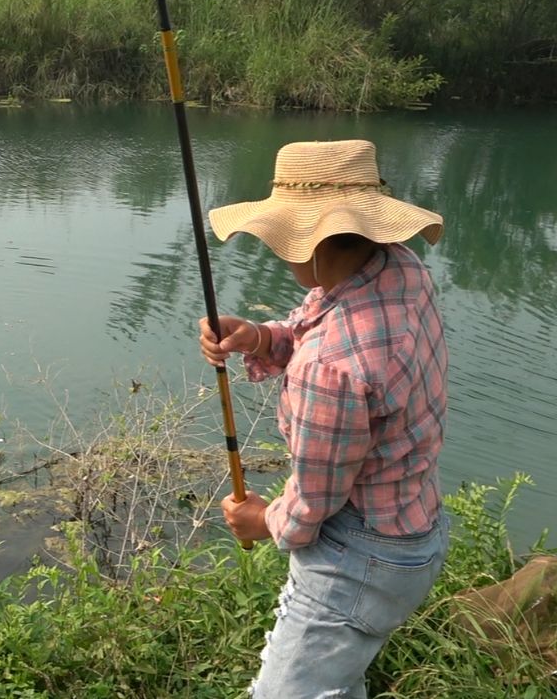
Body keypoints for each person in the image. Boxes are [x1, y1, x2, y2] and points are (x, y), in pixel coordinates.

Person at [197, 140, 450, 699]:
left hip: (360, 557)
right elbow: (330, 329)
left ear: (306, 244)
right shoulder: (397, 271)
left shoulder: (329, 369)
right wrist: (263, 337)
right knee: (332, 680)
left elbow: (316, 498)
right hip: (415, 527)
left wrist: (264, 522)